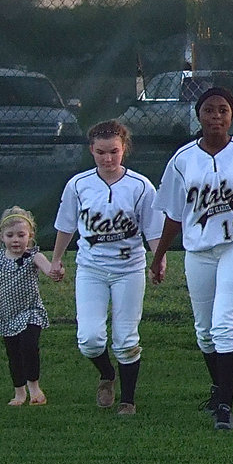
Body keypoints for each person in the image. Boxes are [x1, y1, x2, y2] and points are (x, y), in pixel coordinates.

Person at [150, 86, 233, 431]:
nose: (216, 116)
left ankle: (225, 405)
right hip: (198, 250)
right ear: (199, 116)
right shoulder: (183, 159)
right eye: (209, 110)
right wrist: (159, 256)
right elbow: (175, 214)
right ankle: (219, 389)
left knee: (223, 324)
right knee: (204, 332)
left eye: (223, 110)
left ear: (232, 115)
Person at [51, 120, 164, 417]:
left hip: (129, 269)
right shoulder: (79, 184)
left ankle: (128, 400)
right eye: (101, 152)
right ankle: (107, 374)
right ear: (91, 150)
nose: (108, 158)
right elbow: (66, 225)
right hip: (92, 269)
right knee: (89, 339)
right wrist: (57, 259)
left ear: (124, 148)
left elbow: (153, 230)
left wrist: (158, 260)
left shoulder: (140, 186)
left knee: (126, 338)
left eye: (114, 151)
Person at [0, 206, 54, 406]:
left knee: (28, 346)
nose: (16, 240)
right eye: (10, 235)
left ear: (30, 236)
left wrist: (56, 271)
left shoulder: (33, 256)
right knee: (14, 354)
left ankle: (35, 389)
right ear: (1, 236)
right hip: (7, 316)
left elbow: (49, 269)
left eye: (21, 235)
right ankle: (19, 393)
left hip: (31, 313)